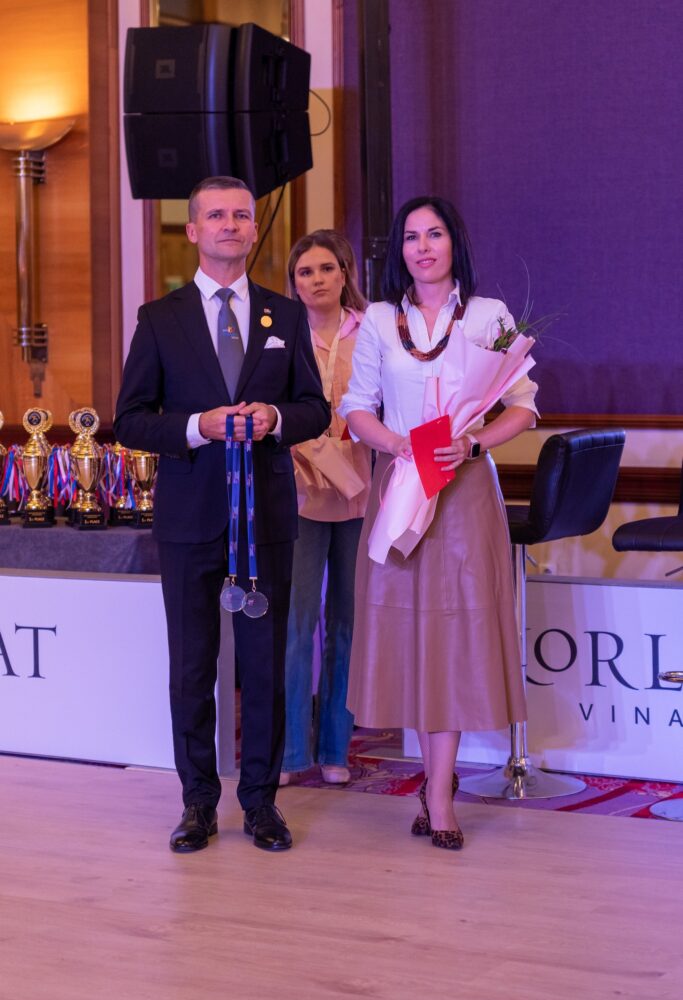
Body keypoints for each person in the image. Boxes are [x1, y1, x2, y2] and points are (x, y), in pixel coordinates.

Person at [114, 176, 330, 853]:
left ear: (252, 229)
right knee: (191, 668)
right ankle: (198, 803)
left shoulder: (285, 315)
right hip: (189, 518)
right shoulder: (160, 317)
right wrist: (197, 426)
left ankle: (260, 804)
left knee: (264, 667)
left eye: (240, 215)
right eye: (216, 216)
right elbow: (130, 420)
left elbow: (315, 410)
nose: (230, 225)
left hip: (266, 518)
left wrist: (274, 418)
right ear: (193, 231)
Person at [339, 195, 538, 850]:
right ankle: (433, 783)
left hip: (464, 490)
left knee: (453, 632)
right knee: (411, 634)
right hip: (400, 486)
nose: (422, 247)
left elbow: (524, 405)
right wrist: (395, 444)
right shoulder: (377, 319)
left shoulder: (490, 315)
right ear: (398, 250)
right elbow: (356, 407)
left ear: (455, 242)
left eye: (434, 234)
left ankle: (441, 795)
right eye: (410, 237)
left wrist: (474, 442)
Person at [280, 230, 371, 786]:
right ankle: (292, 751)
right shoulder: (281, 333)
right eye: (305, 272)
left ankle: (336, 748)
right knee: (296, 624)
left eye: (326, 269)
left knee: (347, 623)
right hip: (300, 490)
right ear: (294, 283)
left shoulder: (374, 330)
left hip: (362, 491)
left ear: (344, 273)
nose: (316, 280)